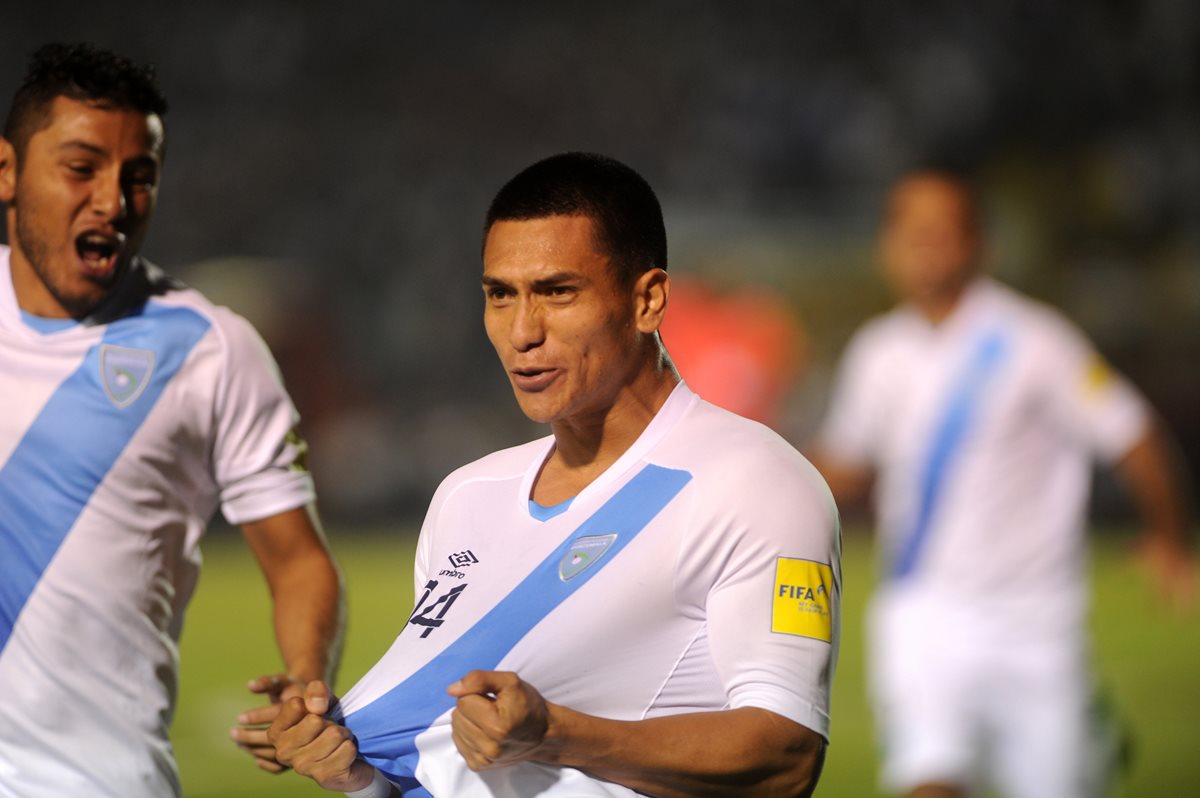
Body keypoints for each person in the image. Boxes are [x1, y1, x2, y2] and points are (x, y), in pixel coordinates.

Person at [268, 152, 841, 798]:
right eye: (499, 295)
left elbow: (787, 760)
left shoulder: (757, 483)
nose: (522, 332)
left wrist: (558, 733)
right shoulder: (466, 497)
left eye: (557, 292)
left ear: (648, 299)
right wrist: (354, 774)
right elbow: (447, 771)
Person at [0, 43, 345, 797]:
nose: (114, 202)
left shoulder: (209, 350)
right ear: (6, 170)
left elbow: (297, 559)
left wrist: (307, 677)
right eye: (81, 166)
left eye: (139, 176)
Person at [810, 169, 1195, 798]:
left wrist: (1168, 538)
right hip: (921, 614)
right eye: (908, 232)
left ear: (977, 243)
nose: (922, 247)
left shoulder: (1035, 341)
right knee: (928, 781)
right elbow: (849, 464)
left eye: (939, 232)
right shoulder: (878, 351)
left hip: (1035, 626)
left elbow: (1133, 433)